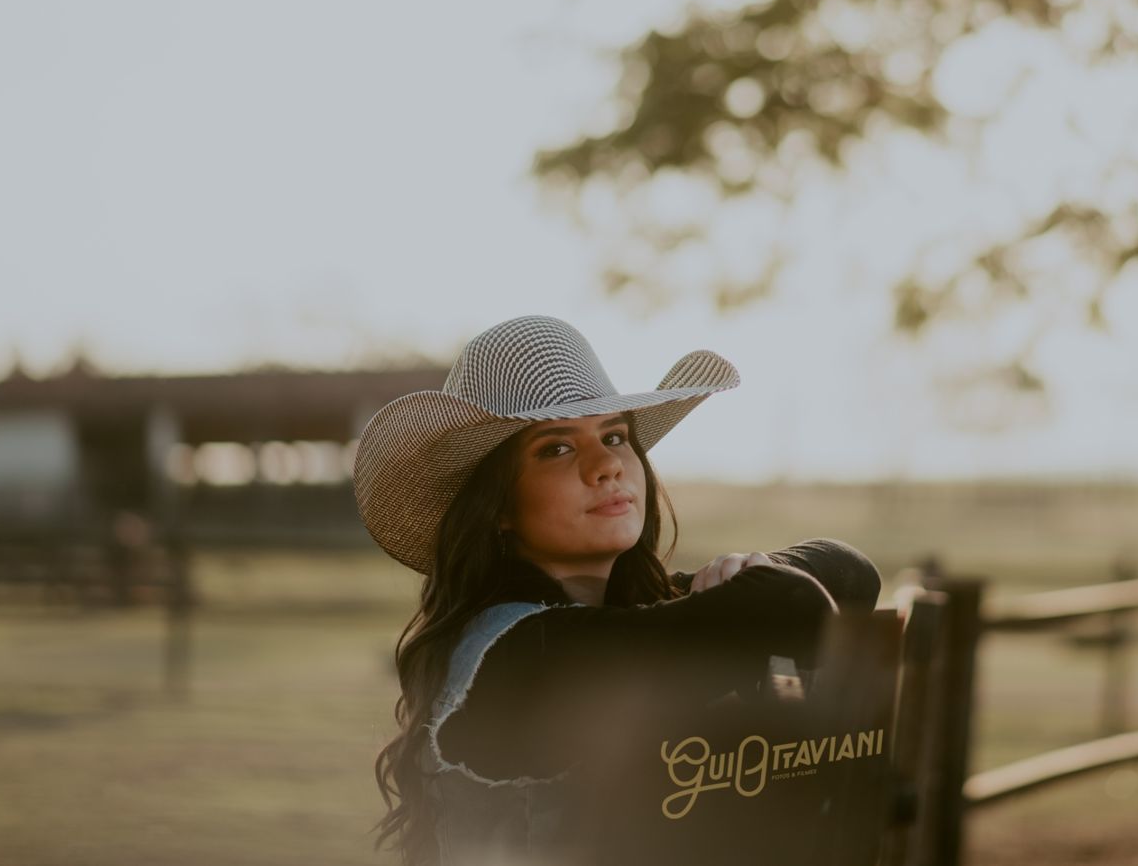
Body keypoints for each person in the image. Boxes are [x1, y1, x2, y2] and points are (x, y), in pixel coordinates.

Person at [353, 314, 881, 866]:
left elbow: (851, 571)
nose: (607, 464)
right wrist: (750, 586)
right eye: (556, 448)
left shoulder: (628, 619)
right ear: (499, 507)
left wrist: (749, 569)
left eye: (615, 436)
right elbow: (792, 609)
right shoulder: (519, 654)